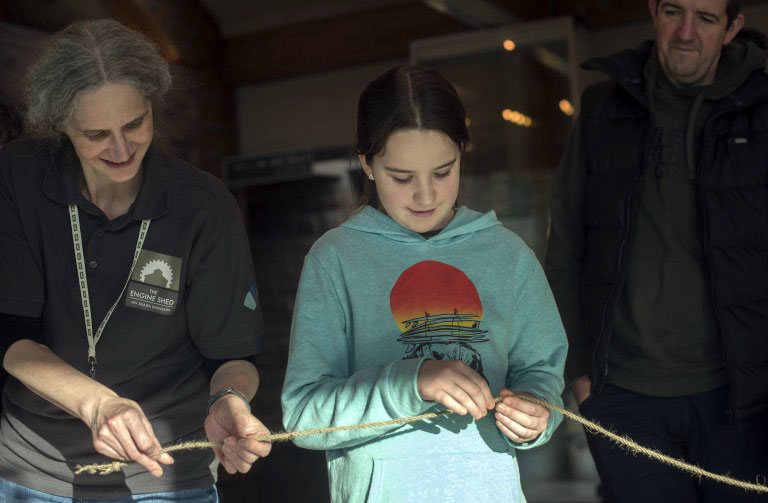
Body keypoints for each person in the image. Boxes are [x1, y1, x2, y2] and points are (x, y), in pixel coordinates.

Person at [0, 19, 271, 501]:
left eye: (134, 124)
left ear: (153, 107)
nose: (122, 149)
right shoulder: (18, 178)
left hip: (168, 476)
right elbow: (11, 335)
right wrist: (99, 404)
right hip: (32, 471)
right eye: (97, 134)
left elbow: (231, 354)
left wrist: (230, 399)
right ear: (60, 122)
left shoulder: (204, 206)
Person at [281, 64, 568, 502]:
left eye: (442, 171)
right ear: (366, 164)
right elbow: (303, 416)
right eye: (402, 178)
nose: (426, 196)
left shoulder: (508, 256)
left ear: (463, 153)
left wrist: (536, 413)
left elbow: (542, 374)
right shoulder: (334, 258)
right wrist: (411, 383)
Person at [545, 0, 768, 501]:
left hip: (741, 400)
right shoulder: (602, 108)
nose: (685, 33)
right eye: (674, 11)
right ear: (653, 11)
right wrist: (580, 375)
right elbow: (566, 247)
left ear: (732, 27)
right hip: (623, 398)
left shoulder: (763, 111)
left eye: (706, 19)